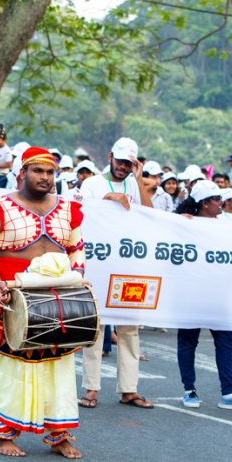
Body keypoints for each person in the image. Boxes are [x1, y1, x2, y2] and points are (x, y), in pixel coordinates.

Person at [0, 147, 85, 458]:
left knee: (58, 368)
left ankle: (60, 436)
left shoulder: (67, 209)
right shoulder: (1, 206)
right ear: (22, 173)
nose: (45, 178)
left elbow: (77, 249)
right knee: (9, 368)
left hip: (57, 298)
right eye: (38, 171)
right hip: (12, 296)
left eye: (50, 172)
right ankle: (4, 434)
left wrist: (77, 280)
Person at [78, 137, 153, 410]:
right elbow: (80, 213)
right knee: (95, 328)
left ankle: (129, 390)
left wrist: (140, 178)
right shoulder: (92, 184)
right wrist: (107, 198)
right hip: (98, 264)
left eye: (129, 163)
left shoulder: (134, 182)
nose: (123, 167)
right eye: (120, 161)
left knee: (129, 329)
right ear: (110, 157)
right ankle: (91, 389)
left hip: (128, 266)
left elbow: (150, 214)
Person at [175, 181, 232, 411]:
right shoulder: (184, 224)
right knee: (188, 341)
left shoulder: (226, 225)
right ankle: (189, 390)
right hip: (191, 292)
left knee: (225, 342)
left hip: (219, 293)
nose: (222, 203)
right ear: (204, 203)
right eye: (217, 199)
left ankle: (228, 392)